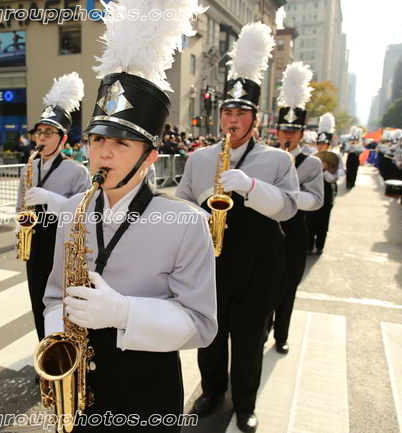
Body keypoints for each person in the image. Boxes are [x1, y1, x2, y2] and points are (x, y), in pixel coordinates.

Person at [41, 3, 216, 431]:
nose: (103, 152)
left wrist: (123, 313)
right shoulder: (70, 212)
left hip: (147, 391)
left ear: (150, 156)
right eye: (97, 138)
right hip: (80, 383)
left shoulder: (186, 222)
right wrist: (57, 334)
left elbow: (201, 325)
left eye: (121, 143)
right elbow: (52, 296)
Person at [176, 22, 299, 433]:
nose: (232, 119)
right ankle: (211, 391)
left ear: (254, 117)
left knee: (248, 341)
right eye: (227, 111)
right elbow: (181, 201)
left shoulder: (277, 160)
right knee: (209, 334)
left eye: (240, 113)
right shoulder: (198, 158)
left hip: (259, 262)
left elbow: (288, 210)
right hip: (211, 259)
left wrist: (249, 185)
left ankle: (245, 403)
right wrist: (196, 210)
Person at [16, 72, 90, 342]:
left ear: (63, 138)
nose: (42, 138)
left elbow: (84, 213)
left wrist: (50, 198)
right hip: (34, 240)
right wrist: (18, 227)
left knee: (61, 302)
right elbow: (19, 205)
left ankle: (64, 348)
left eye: (49, 133)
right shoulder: (30, 166)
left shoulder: (76, 171)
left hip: (61, 242)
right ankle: (43, 347)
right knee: (37, 300)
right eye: (39, 132)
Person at [270, 62, 323, 355]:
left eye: (293, 130)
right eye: (284, 129)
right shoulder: (268, 157)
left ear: (302, 134)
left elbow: (316, 200)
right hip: (268, 227)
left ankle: (282, 334)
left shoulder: (312, 163)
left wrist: (285, 196)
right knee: (266, 282)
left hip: (294, 229)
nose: (287, 135)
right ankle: (264, 326)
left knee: (289, 285)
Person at [307, 113, 345, 254]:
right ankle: (309, 245)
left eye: (324, 144)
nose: (321, 146)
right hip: (312, 189)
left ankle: (320, 246)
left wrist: (325, 172)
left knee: (323, 220)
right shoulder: (312, 156)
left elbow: (339, 173)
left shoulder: (336, 157)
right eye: (319, 143)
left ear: (329, 144)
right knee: (310, 220)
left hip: (327, 190)